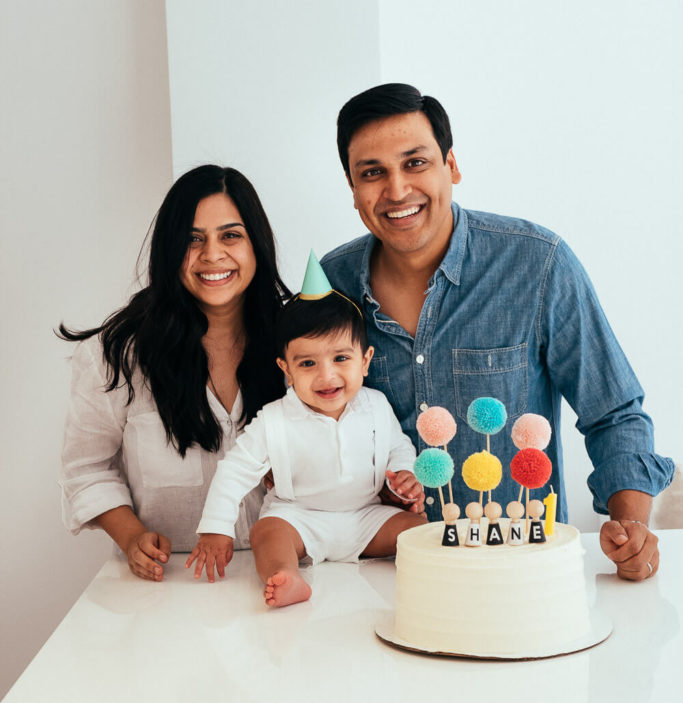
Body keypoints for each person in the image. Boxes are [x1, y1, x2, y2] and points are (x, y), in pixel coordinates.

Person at [321, 83, 674, 582]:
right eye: (372, 173)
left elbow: (614, 413)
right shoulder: (331, 288)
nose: (397, 190)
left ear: (452, 166)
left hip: (520, 575)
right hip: (379, 575)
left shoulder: (537, 264)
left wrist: (631, 524)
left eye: (415, 163)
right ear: (353, 190)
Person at [58, 165, 290, 581]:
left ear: (257, 244)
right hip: (169, 587)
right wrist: (132, 537)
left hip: (282, 583)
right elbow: (87, 467)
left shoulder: (301, 345)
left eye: (231, 235)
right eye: (192, 239)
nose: (212, 255)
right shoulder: (114, 356)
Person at [186, 264, 426, 607]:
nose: (326, 376)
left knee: (418, 528)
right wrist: (216, 527)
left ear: (365, 361)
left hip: (366, 516)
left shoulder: (376, 405)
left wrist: (404, 475)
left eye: (341, 358)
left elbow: (398, 447)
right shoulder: (275, 420)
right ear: (286, 369)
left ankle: (429, 571)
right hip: (299, 518)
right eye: (307, 364)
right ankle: (285, 576)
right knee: (265, 534)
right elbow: (235, 470)